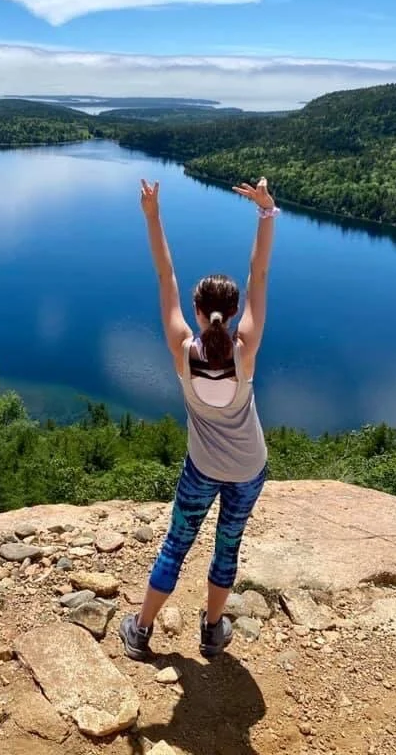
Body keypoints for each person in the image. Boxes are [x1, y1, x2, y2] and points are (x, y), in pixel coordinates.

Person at [119, 176, 278, 660]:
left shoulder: (182, 351)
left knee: (176, 544)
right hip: (249, 469)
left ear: (197, 309)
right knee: (227, 547)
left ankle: (141, 632)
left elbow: (165, 275)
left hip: (202, 469)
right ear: (232, 314)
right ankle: (212, 632)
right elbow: (259, 275)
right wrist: (266, 212)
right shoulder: (244, 350)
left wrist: (152, 215)